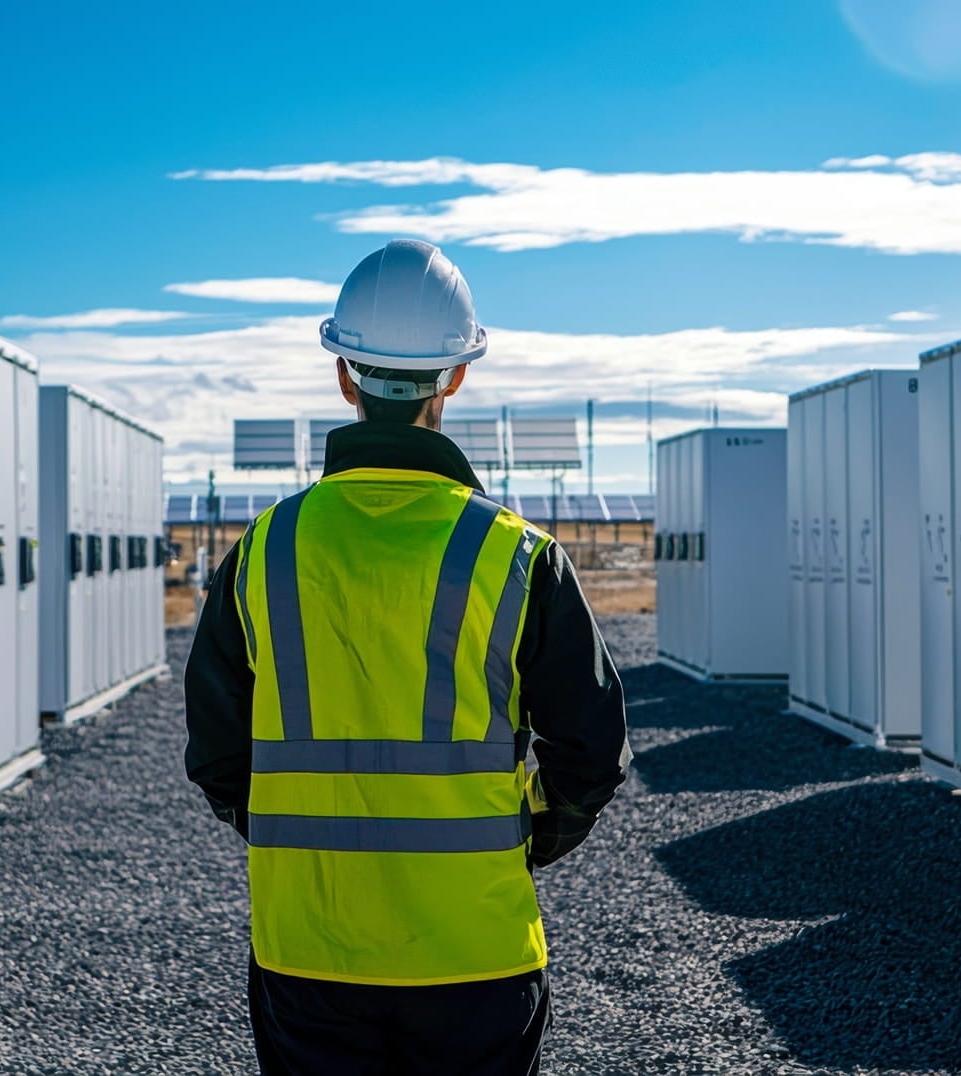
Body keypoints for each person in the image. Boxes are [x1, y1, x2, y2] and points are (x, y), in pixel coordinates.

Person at [184, 238, 629, 1075]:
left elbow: (216, 755)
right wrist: (520, 836)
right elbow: (592, 756)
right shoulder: (518, 555)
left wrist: (293, 839)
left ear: (344, 376)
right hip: (478, 951)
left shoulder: (263, 550)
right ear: (456, 377)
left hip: (307, 949)